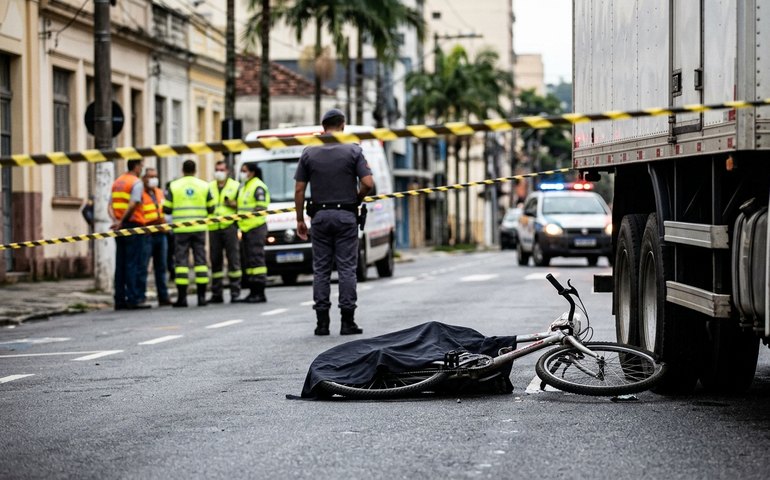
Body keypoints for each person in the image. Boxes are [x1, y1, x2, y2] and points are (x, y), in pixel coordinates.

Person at [294, 109, 374, 335]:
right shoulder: (353, 150)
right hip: (346, 215)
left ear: (323, 127)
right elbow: (368, 183)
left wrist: (300, 219)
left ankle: (322, 323)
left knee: (321, 269)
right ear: (343, 126)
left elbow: (300, 188)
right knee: (347, 267)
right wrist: (355, 200)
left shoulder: (309, 152)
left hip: (319, 216)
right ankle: (347, 321)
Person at [163, 160, 215, 307]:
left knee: (181, 264)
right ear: (195, 170)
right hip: (199, 229)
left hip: (181, 230)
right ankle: (202, 298)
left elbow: (166, 209)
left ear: (182, 170)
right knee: (201, 262)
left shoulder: (174, 186)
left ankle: (182, 298)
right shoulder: (204, 186)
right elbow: (211, 208)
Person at [109, 159, 150, 310]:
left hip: (119, 225)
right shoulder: (135, 183)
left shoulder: (117, 182)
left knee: (120, 264)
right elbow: (133, 203)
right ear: (136, 167)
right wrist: (122, 221)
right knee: (132, 263)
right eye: (141, 166)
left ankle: (119, 299)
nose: (142, 169)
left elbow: (110, 205)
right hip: (133, 225)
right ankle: (133, 298)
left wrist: (115, 220)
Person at [208, 161, 242, 303]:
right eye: (216, 169)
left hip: (230, 227)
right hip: (214, 227)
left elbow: (242, 204)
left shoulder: (235, 186)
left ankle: (235, 292)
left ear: (227, 171)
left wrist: (232, 203)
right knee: (216, 261)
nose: (219, 172)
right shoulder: (209, 187)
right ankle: (217, 294)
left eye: (221, 169)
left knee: (233, 260)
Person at [236, 162, 270, 303]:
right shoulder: (245, 186)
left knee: (257, 260)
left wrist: (247, 214)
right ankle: (252, 291)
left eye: (244, 171)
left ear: (252, 172)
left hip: (256, 227)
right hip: (246, 228)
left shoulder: (257, 186)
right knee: (249, 262)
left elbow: (260, 207)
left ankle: (260, 292)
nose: (242, 173)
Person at [138, 168, 171, 307]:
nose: (153, 179)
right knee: (143, 267)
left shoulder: (159, 192)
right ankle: (140, 297)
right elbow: (139, 214)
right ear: (144, 178)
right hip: (147, 233)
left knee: (161, 267)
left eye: (155, 176)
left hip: (161, 233)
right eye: (150, 176)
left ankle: (163, 297)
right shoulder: (139, 193)